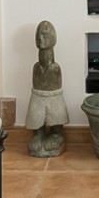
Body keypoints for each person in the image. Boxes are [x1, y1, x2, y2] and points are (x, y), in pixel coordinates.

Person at [27, 21, 70, 157]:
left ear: (52, 38)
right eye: (38, 35)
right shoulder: (36, 67)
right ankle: (38, 133)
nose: (40, 39)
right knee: (36, 111)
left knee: (55, 111)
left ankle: (56, 134)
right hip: (38, 95)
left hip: (53, 95)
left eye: (45, 35)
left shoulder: (55, 68)